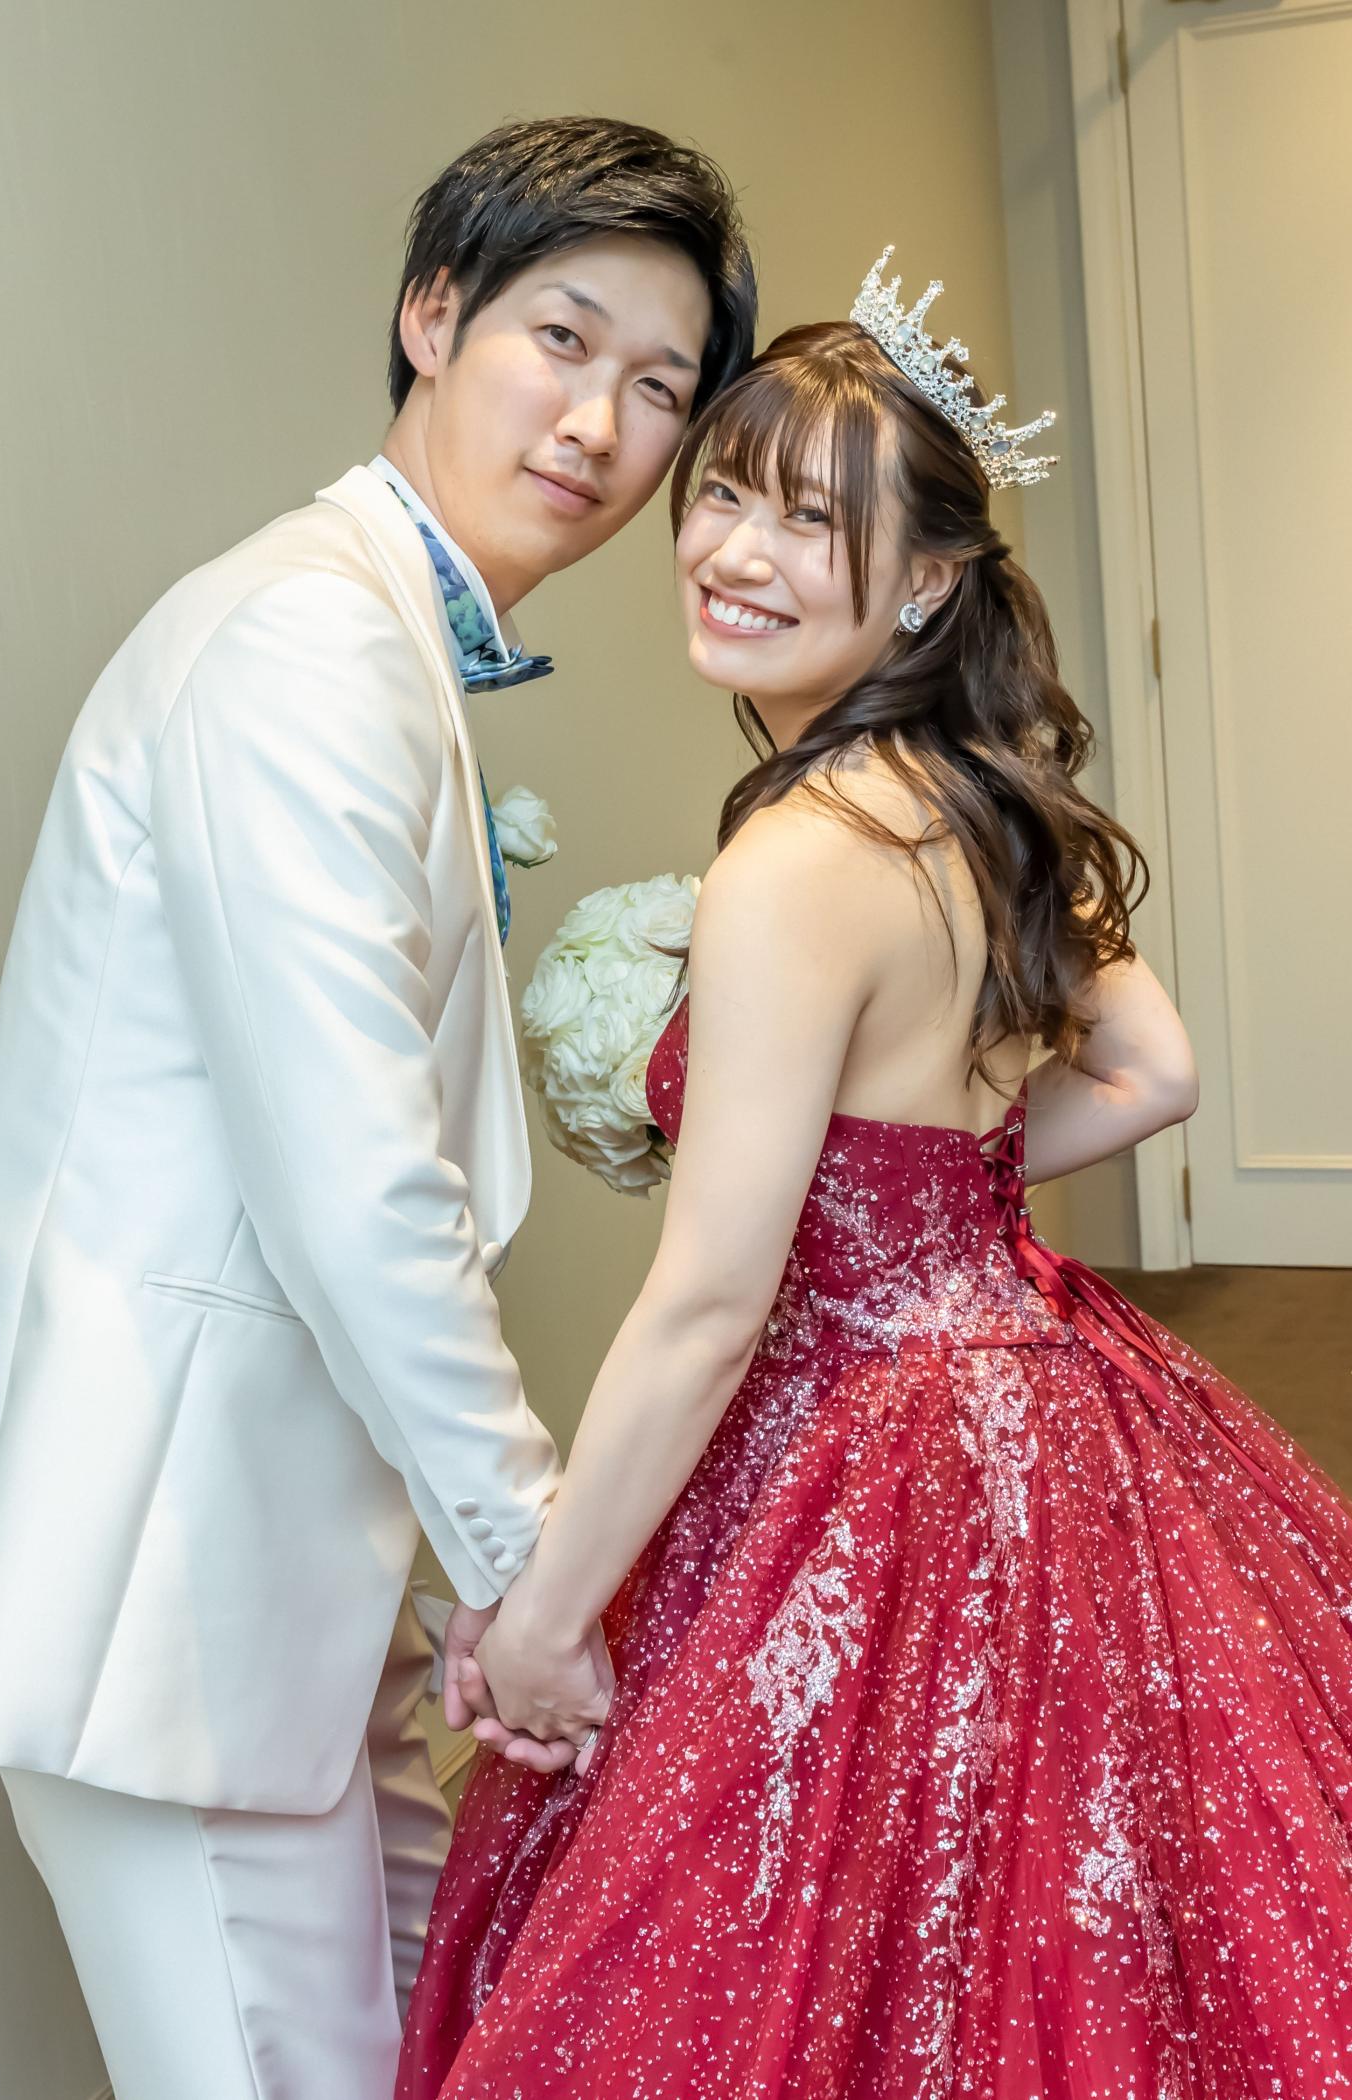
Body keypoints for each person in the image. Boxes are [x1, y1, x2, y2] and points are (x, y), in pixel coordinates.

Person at [397, 256, 1352, 2097]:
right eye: (725, 495)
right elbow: (1155, 1074)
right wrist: (909, 1199)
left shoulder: (796, 856)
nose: (732, 551)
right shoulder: (985, 800)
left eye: (807, 521)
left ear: (924, 582)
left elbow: (709, 1302)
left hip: (861, 1431)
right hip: (1046, 1399)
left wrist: (543, 1621)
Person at [0, 116, 755, 2100]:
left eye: (662, 388)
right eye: (562, 339)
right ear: (430, 313)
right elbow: (354, 1184)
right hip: (170, 1596)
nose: (601, 422)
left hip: (287, 1589)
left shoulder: (373, 632)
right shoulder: (308, 637)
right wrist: (529, 1570)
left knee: (444, 2047)